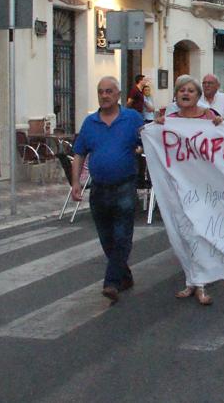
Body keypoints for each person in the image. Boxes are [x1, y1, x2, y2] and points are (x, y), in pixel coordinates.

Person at [71, 76, 147, 304]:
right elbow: (79, 153)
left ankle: (111, 282)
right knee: (107, 238)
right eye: (101, 92)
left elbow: (150, 139)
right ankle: (125, 276)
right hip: (99, 188)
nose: (104, 95)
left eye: (108, 91)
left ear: (118, 95)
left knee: (122, 235)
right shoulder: (89, 122)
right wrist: (75, 183)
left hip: (125, 185)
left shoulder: (132, 118)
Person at [154, 75, 222, 305]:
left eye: (191, 90)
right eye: (181, 90)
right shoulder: (169, 120)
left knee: (200, 232)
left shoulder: (209, 117)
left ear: (198, 96)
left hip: (203, 184)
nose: (185, 93)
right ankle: (191, 279)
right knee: (183, 232)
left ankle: (201, 283)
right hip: (178, 185)